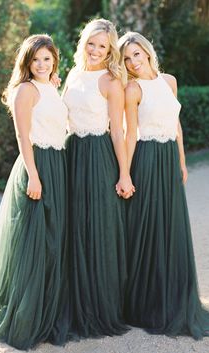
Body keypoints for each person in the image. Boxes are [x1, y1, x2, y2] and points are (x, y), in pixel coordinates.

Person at [118, 31, 209, 339]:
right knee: (148, 226)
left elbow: (176, 125)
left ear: (147, 52)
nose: (133, 62)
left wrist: (183, 161)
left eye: (137, 54)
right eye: (126, 58)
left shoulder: (169, 81)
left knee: (170, 225)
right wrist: (126, 173)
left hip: (168, 159)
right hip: (146, 159)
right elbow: (130, 134)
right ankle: (146, 302)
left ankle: (173, 296)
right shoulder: (132, 89)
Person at [0, 34, 70, 349]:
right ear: (27, 62)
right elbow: (23, 135)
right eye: (36, 60)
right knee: (32, 243)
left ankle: (46, 313)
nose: (42, 65)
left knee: (53, 241)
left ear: (54, 60)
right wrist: (33, 175)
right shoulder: (25, 90)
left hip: (58, 164)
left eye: (47, 58)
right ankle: (24, 318)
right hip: (37, 166)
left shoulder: (49, 87)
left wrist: (53, 86)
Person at [62, 18, 134, 338]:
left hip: (97, 157)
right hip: (70, 153)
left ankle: (99, 305)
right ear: (83, 42)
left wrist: (124, 173)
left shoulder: (111, 82)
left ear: (110, 50)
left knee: (97, 227)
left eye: (102, 46)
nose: (95, 50)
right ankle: (72, 301)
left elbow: (117, 132)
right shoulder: (73, 74)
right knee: (72, 227)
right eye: (91, 42)